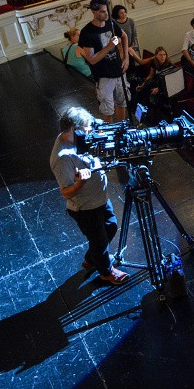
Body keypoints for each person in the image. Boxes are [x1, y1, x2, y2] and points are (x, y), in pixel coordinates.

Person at [49, 107, 129, 285]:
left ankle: (91, 259)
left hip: (99, 198)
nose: (89, 130)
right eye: (86, 127)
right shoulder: (62, 157)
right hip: (86, 207)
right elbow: (65, 192)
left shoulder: (78, 138)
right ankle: (106, 272)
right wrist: (80, 182)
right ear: (73, 128)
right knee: (99, 240)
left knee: (111, 227)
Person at [78, 0, 130, 123]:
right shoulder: (87, 32)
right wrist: (109, 46)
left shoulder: (111, 23)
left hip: (119, 71)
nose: (107, 14)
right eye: (102, 11)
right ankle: (111, 131)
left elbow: (124, 36)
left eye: (107, 10)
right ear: (94, 12)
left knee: (122, 103)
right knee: (107, 110)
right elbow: (92, 59)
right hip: (104, 77)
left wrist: (126, 58)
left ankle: (121, 128)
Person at [131, 46, 174, 121]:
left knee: (147, 96)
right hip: (155, 82)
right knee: (140, 91)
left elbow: (169, 82)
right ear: (156, 56)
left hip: (164, 86)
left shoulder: (169, 66)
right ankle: (134, 109)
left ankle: (143, 116)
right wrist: (142, 85)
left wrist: (158, 89)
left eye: (164, 55)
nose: (163, 57)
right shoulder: (154, 62)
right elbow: (150, 76)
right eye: (160, 55)